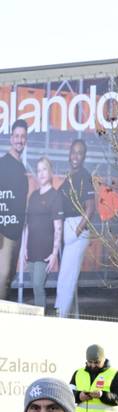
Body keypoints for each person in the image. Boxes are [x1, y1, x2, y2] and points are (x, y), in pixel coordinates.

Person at [55, 140, 96, 318]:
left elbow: (91, 208)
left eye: (79, 153)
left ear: (84, 156)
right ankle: (70, 316)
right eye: (73, 152)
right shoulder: (70, 177)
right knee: (68, 278)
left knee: (66, 278)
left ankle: (61, 316)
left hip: (76, 228)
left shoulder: (84, 176)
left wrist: (76, 231)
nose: (75, 156)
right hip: (67, 228)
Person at [19, 157, 63, 312]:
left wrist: (54, 253)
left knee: (38, 285)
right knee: (36, 287)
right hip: (31, 250)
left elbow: (58, 228)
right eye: (38, 170)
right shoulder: (33, 196)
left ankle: (40, 322)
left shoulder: (56, 196)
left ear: (50, 171)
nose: (41, 173)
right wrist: (24, 248)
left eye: (44, 169)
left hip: (45, 252)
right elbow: (27, 226)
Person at [68, 345, 118, 412]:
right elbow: (68, 394)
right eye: (90, 362)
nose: (93, 365)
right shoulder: (78, 373)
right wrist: (79, 396)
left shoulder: (115, 374)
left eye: (97, 362)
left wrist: (102, 395)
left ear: (104, 359)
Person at [0, 120, 28, 298]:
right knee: (2, 277)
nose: (19, 140)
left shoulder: (21, 166)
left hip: (17, 233)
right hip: (4, 233)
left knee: (9, 277)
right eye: (16, 136)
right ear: (11, 138)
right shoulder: (3, 164)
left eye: (23, 136)